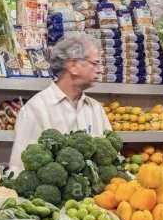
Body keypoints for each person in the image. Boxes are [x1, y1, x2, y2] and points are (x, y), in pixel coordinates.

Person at [9, 34, 112, 171]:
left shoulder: (96, 109)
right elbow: (19, 167)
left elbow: (112, 155)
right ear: (73, 66)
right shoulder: (36, 109)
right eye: (95, 63)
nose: (99, 70)